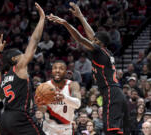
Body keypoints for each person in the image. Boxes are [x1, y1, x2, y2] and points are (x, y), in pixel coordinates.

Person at [47, 2, 130, 135]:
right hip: (117, 93)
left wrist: (65, 23)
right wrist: (80, 16)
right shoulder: (105, 51)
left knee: (110, 131)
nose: (92, 42)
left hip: (111, 93)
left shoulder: (98, 50)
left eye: (94, 41)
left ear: (99, 43)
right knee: (119, 131)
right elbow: (92, 36)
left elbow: (80, 39)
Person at [0, 2, 45, 135]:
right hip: (19, 117)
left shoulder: (2, 76)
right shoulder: (18, 68)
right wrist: (42, 19)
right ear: (14, 59)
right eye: (20, 54)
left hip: (5, 119)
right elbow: (34, 41)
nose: (23, 55)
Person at [36, 60, 81, 135]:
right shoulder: (45, 86)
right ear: (52, 71)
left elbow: (77, 104)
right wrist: (40, 102)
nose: (57, 71)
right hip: (49, 127)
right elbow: (42, 109)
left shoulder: (72, 85)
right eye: (55, 68)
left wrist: (64, 97)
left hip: (66, 128)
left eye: (61, 68)